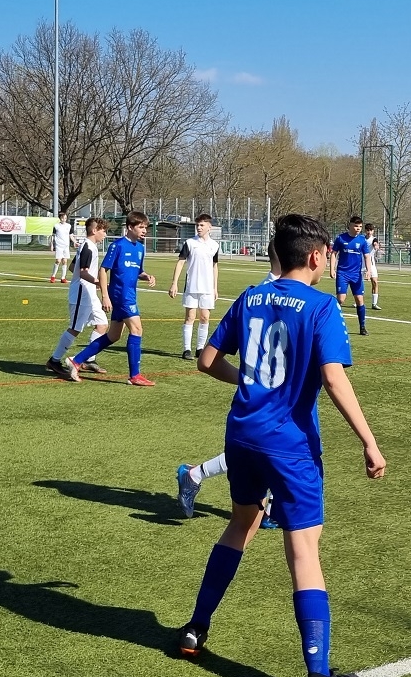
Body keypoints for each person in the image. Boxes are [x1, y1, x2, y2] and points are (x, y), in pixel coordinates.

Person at [178, 213, 385, 677]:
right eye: (327, 254)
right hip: (290, 445)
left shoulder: (251, 296)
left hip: (242, 435)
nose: (329, 260)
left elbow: (206, 361)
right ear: (314, 257)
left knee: (240, 525)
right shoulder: (321, 306)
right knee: (304, 549)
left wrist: (249, 382)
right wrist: (369, 442)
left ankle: (195, 627)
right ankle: (317, 672)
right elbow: (334, 378)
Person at [176, 243, 284, 527]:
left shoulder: (265, 294)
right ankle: (268, 507)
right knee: (267, 448)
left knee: (263, 450)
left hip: (274, 392)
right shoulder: (269, 297)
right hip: (269, 396)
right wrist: (250, 380)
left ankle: (196, 475)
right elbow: (209, 360)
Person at [67, 211, 157, 386]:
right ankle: (135, 376)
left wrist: (146, 276)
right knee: (137, 329)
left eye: (145, 227)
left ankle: (76, 360)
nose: (144, 230)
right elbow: (103, 270)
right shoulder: (117, 246)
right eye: (141, 227)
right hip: (120, 295)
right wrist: (105, 296)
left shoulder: (140, 248)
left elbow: (138, 271)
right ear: (130, 227)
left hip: (130, 294)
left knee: (114, 335)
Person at [46, 217, 111, 380]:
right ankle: (54, 360)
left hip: (89, 293)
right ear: (94, 230)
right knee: (75, 328)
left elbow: (72, 267)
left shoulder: (88, 246)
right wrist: (98, 282)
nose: (105, 234)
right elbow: (82, 272)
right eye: (103, 231)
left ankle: (88, 360)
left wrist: (93, 282)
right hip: (81, 293)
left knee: (102, 324)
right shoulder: (88, 247)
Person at [168, 214, 220, 360]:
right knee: (190, 317)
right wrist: (174, 283)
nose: (199, 227)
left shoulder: (214, 245)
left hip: (207, 288)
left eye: (202, 225)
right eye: (197, 225)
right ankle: (186, 349)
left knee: (205, 317)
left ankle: (200, 348)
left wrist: (215, 288)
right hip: (192, 286)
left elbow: (214, 266)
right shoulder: (190, 243)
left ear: (209, 227)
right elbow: (180, 262)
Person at [330, 216, 372, 335]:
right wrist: (332, 269)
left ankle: (362, 327)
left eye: (360, 226)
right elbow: (334, 253)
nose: (358, 228)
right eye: (356, 226)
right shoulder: (341, 238)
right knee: (341, 299)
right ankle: (332, 321)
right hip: (342, 273)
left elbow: (367, 256)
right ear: (350, 225)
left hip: (356, 275)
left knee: (359, 299)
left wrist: (368, 270)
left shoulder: (362, 240)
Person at [49, 212, 77, 284]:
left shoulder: (69, 226)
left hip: (66, 246)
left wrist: (75, 242)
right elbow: (53, 236)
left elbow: (71, 235)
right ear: (60, 218)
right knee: (58, 260)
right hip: (59, 245)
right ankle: (53, 276)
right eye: (62, 218)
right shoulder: (56, 226)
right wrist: (52, 245)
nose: (64, 219)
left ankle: (63, 278)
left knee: (65, 261)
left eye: (65, 218)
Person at [362, 222, 381, 310]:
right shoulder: (361, 239)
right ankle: (358, 301)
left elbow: (375, 243)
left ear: (373, 231)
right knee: (359, 283)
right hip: (361, 263)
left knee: (375, 282)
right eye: (367, 230)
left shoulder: (374, 239)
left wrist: (376, 246)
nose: (369, 232)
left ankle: (374, 303)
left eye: (371, 230)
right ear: (365, 231)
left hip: (371, 264)